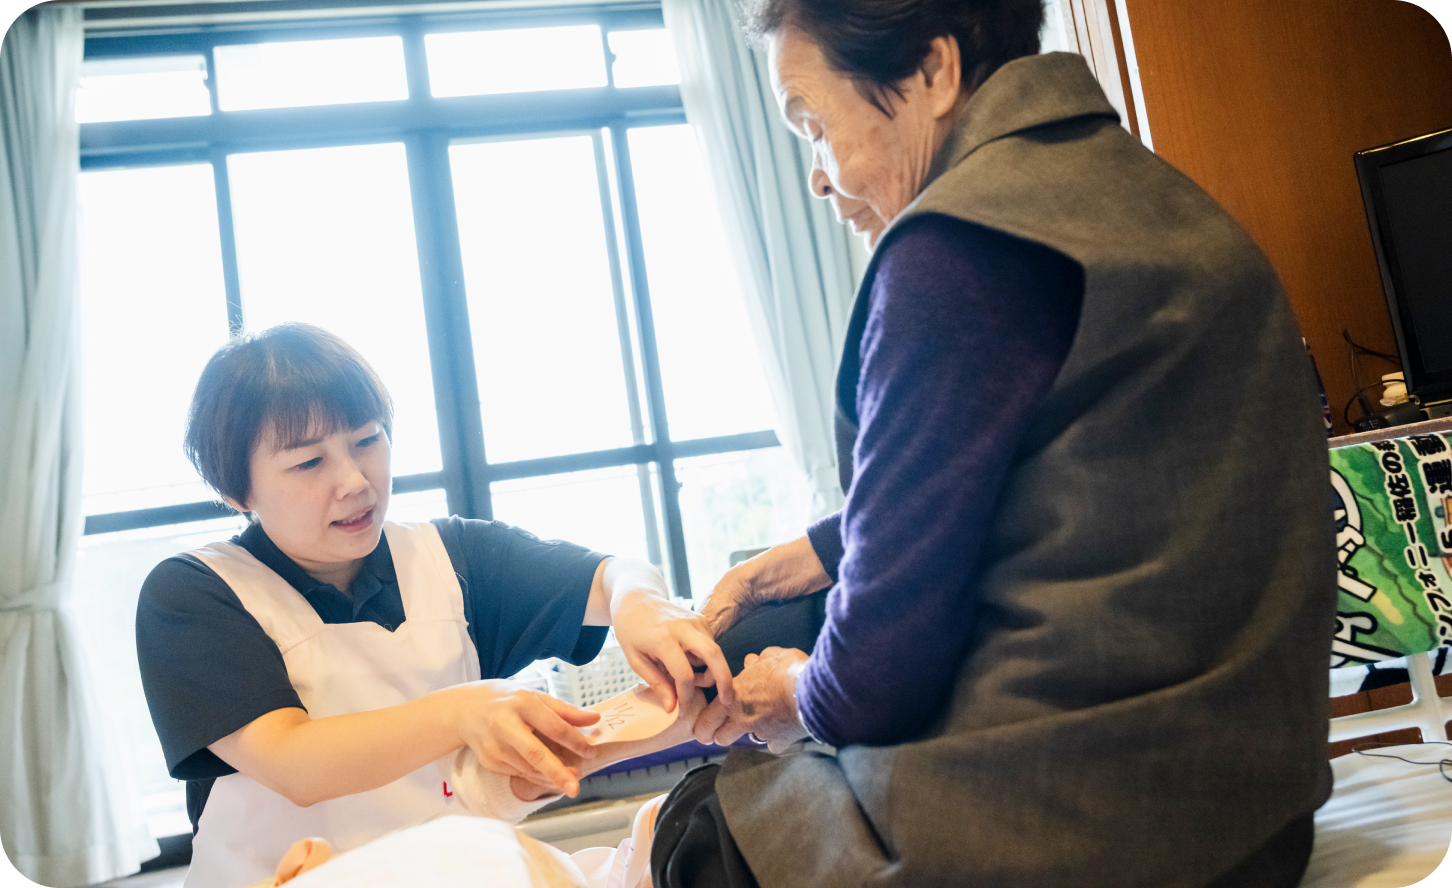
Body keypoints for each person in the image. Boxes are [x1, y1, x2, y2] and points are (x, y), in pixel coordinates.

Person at [654, 1, 1338, 887]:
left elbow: (877, 676)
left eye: (815, 126)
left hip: (1077, 836)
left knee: (700, 825)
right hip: (1253, 824)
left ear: (933, 73)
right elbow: (1062, 466)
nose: (818, 179)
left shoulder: (958, 249)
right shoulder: (1156, 200)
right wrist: (802, 557)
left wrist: (791, 694)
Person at [135, 323, 734, 888]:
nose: (355, 480)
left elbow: (613, 575)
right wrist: (466, 711)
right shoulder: (194, 595)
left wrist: (642, 604)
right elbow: (295, 762)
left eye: (367, 439)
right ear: (236, 491)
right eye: (309, 462)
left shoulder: (453, 557)